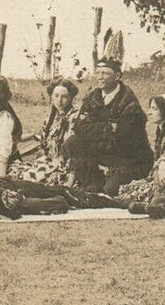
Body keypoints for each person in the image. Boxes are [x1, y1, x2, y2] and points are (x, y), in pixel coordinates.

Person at [64, 32, 152, 194]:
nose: (100, 77)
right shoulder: (93, 97)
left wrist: (95, 130)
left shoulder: (130, 103)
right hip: (104, 151)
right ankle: (92, 180)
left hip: (128, 159)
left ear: (117, 76)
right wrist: (109, 127)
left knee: (110, 191)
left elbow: (123, 136)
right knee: (72, 142)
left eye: (105, 73)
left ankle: (107, 182)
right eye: (98, 73)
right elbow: (79, 127)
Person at [116, 89, 165, 204]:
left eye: (154, 109)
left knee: (131, 194)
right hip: (164, 175)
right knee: (126, 189)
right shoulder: (163, 130)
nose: (149, 112)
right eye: (150, 108)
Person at [8, 78, 78, 185]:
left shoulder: (75, 118)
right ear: (51, 97)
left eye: (64, 97)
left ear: (71, 98)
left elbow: (75, 152)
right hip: (48, 161)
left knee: (26, 178)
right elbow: (45, 143)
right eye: (56, 96)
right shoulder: (51, 118)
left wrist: (70, 180)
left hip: (64, 167)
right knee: (14, 170)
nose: (59, 100)